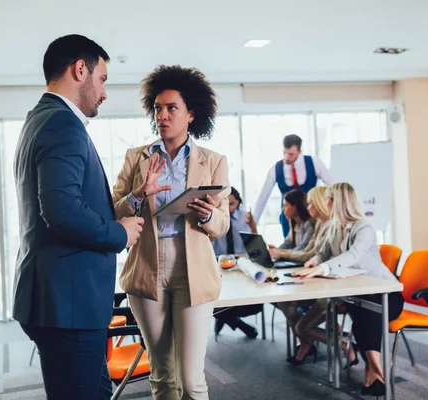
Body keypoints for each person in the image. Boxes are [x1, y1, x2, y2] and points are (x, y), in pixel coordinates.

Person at [13, 34, 144, 399]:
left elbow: (70, 203)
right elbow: (63, 211)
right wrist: (120, 234)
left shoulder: (38, 119)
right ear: (80, 69)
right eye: (102, 80)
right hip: (67, 304)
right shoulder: (62, 125)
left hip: (58, 300)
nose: (103, 93)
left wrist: (135, 198)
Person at [112, 65, 230, 400]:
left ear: (191, 114)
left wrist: (209, 216)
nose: (162, 116)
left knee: (191, 380)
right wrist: (139, 193)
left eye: (171, 108)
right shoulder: (137, 158)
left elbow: (222, 223)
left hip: (192, 266)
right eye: (157, 108)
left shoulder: (214, 160)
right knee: (163, 375)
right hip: (147, 264)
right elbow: (112, 210)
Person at [294, 183, 404, 397]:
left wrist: (323, 267)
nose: (325, 203)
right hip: (360, 294)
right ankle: (375, 373)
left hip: (387, 295)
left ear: (337, 202)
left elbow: (354, 255)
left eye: (328, 199)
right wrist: (314, 262)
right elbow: (324, 253)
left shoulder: (364, 228)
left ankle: (374, 372)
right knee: (361, 308)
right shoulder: (335, 227)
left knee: (365, 311)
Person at [274, 186, 331, 364]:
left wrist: (281, 254)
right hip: (313, 274)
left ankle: (308, 337)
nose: (308, 207)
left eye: (311, 203)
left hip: (324, 280)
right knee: (282, 300)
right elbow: (309, 251)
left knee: (289, 306)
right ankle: (305, 339)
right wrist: (277, 251)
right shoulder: (318, 223)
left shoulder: (319, 224)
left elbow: (309, 253)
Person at [253, 134, 335, 238]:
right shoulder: (275, 169)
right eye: (285, 153)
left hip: (311, 215)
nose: (287, 157)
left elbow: (334, 186)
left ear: (300, 151)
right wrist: (253, 223)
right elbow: (262, 198)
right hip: (288, 217)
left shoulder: (314, 163)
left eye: (291, 154)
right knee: (289, 246)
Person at [213, 187, 262, 339]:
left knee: (253, 303)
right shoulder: (214, 217)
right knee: (214, 302)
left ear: (239, 202)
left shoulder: (246, 217)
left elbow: (255, 245)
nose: (228, 208)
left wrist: (253, 226)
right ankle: (239, 324)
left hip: (242, 264)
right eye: (225, 203)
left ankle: (224, 318)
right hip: (220, 264)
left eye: (232, 204)